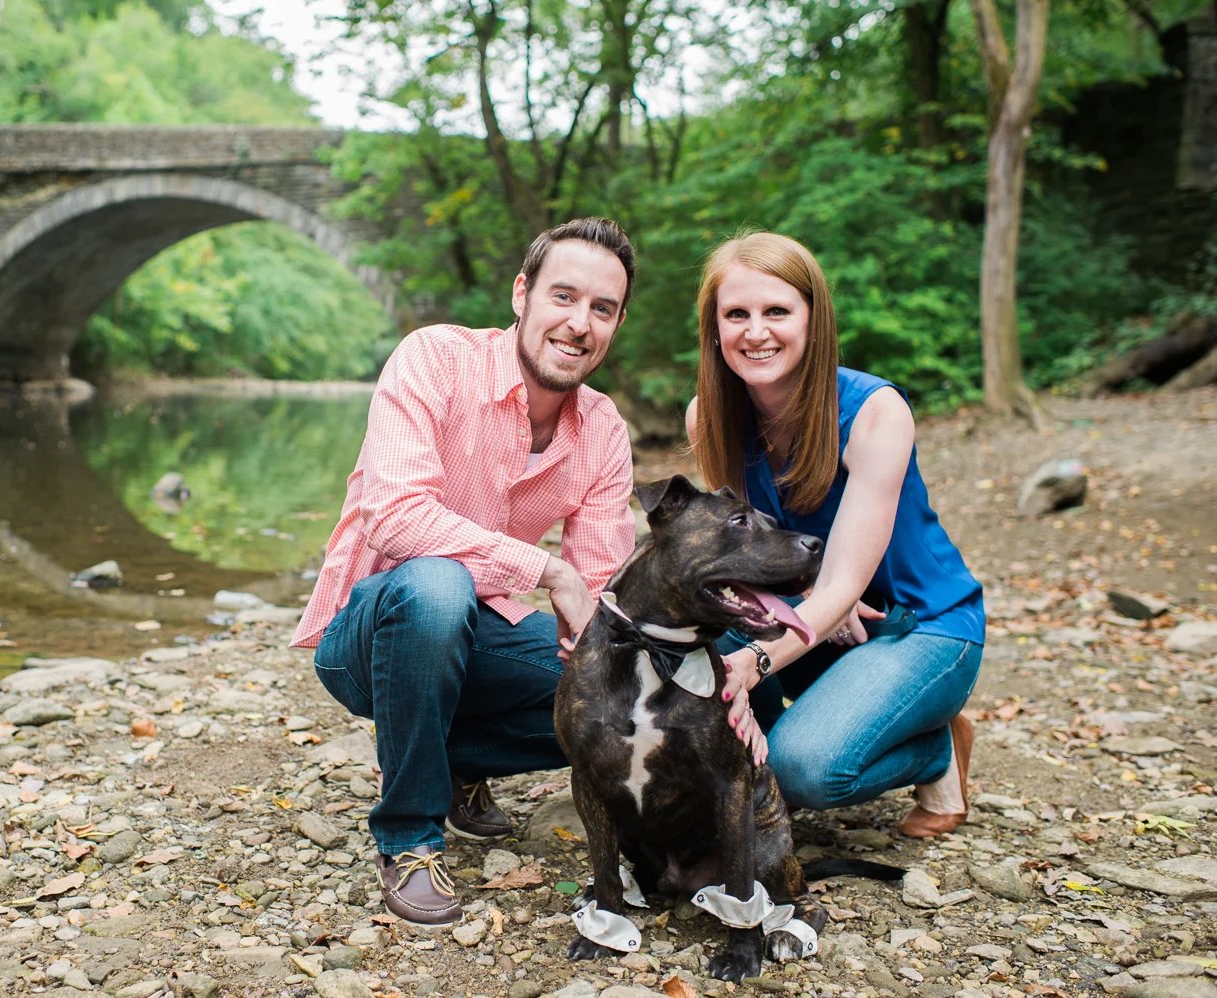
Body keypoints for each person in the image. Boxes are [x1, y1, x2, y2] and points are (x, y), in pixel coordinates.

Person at [291, 217, 639, 926]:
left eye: (601, 309)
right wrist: (546, 570)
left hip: (483, 630)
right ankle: (409, 836)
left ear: (617, 323)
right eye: (563, 297)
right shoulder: (434, 360)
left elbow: (596, 592)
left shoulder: (602, 430)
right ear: (522, 294)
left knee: (625, 697)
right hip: (377, 631)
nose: (579, 323)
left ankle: (449, 764)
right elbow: (394, 518)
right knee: (438, 584)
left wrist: (598, 666)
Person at [684, 231, 985, 838]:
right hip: (815, 611)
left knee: (804, 770)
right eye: (736, 314)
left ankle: (935, 749)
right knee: (685, 673)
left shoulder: (876, 411)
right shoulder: (707, 417)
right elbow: (748, 554)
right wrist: (815, 601)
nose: (755, 331)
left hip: (917, 625)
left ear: (813, 320)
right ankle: (771, 745)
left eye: (777, 311)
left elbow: (848, 579)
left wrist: (765, 651)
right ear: (714, 329)